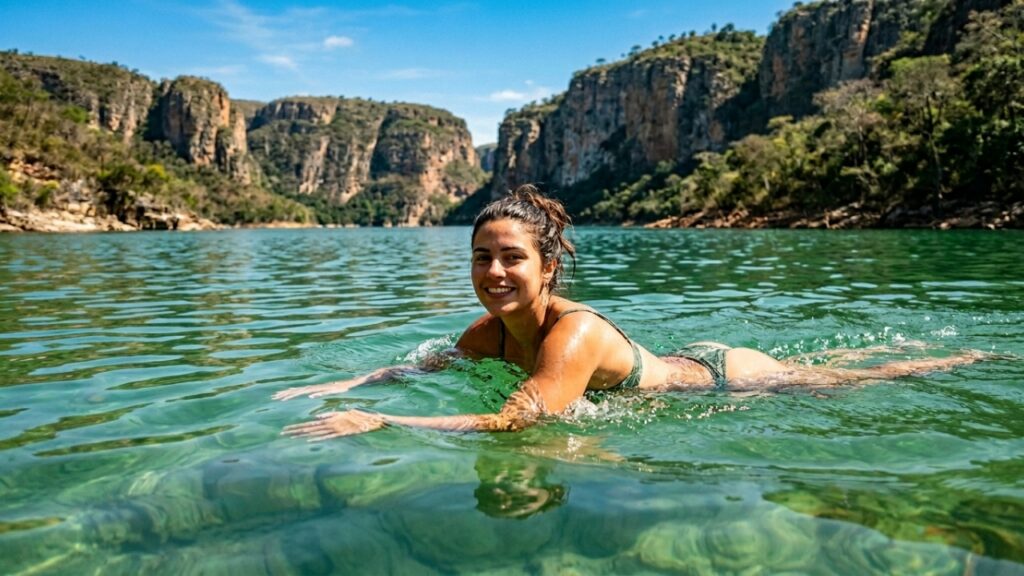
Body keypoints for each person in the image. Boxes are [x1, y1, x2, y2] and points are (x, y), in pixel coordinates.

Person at [276, 185, 986, 439]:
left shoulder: (573, 333)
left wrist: (380, 423)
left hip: (723, 378)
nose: (493, 272)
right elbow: (426, 363)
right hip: (684, 363)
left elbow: (508, 422)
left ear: (548, 267)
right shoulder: (485, 333)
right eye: (481, 257)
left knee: (863, 378)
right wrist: (344, 386)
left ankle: (965, 358)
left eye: (512, 258)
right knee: (839, 367)